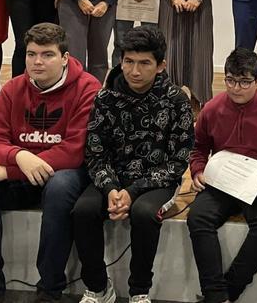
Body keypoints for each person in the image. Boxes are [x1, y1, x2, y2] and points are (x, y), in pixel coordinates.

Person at [0, 23, 100, 303]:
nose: (37, 62)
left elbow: (74, 150)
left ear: (64, 58)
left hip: (62, 172)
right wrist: (19, 157)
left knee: (61, 187)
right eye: (31, 54)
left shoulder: (88, 88)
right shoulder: (13, 88)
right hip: (22, 168)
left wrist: (7, 169)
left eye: (47, 55)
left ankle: (50, 288)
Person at [72, 26, 193, 303]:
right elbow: (95, 152)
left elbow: (178, 161)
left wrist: (133, 191)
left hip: (158, 181)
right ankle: (98, 288)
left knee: (144, 213)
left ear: (161, 65)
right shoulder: (104, 98)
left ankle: (139, 291)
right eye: (128, 61)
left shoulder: (176, 101)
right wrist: (112, 188)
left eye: (144, 63)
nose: (134, 71)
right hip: (112, 178)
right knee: (83, 210)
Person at [186, 47, 257, 303]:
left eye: (245, 82)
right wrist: (198, 170)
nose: (236, 88)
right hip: (222, 181)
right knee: (197, 218)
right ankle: (215, 294)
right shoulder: (211, 109)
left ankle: (227, 291)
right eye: (230, 80)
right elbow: (198, 148)